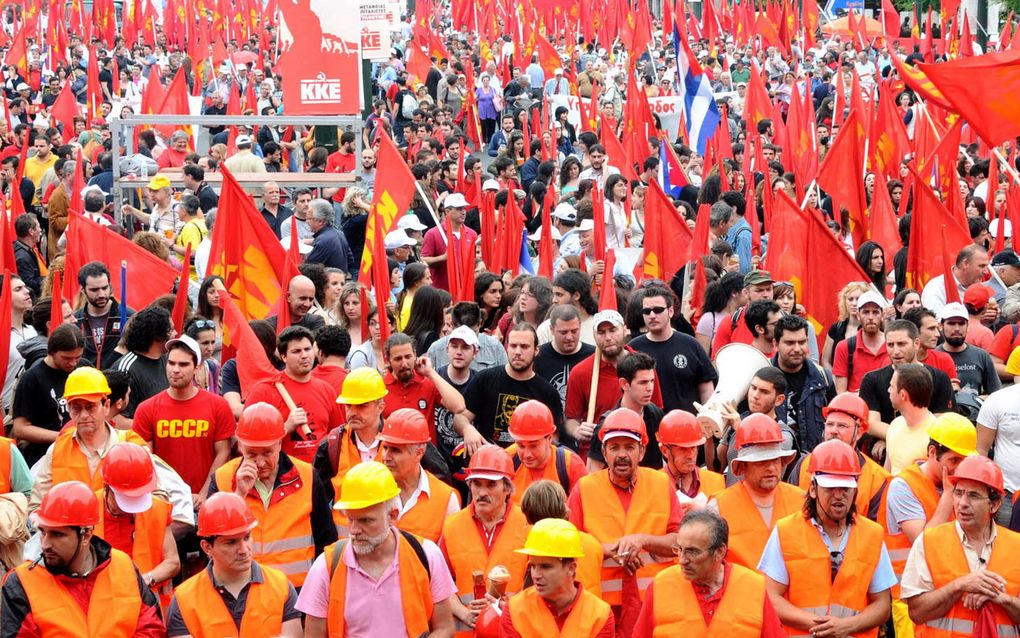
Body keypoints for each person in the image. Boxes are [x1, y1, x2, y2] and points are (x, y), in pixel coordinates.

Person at [298, 461, 457, 637]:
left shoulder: (427, 555)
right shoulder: (326, 567)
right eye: (351, 520)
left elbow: (445, 628)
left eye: (366, 520)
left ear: (392, 516)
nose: (354, 530)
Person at [759, 439, 895, 636]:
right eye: (830, 488)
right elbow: (770, 597)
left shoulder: (872, 534)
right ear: (813, 489)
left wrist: (846, 626)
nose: (839, 496)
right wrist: (821, 626)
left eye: (845, 489)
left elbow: (882, 605)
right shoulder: (786, 530)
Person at [567, 408, 681, 634]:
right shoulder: (584, 489)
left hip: (654, 607)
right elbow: (568, 546)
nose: (621, 454)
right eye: (614, 447)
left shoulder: (661, 484)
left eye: (629, 447)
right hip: (601, 610)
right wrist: (606, 550)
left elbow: (680, 543)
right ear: (603, 452)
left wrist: (642, 540)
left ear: (641, 451)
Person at [1, 481, 166, 636]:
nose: (45, 544)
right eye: (43, 532)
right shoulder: (21, 582)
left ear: (86, 533)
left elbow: (151, 628)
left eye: (57, 534)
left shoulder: (124, 567)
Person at [209, 402, 337, 588]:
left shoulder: (307, 476)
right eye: (251, 453)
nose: (260, 463)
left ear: (279, 443)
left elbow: (326, 541)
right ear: (240, 445)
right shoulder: (222, 478)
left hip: (298, 593)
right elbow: (212, 542)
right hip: (242, 593)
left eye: (267, 452)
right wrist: (239, 494)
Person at [901, 455, 1020, 636]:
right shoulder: (929, 541)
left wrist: (1001, 599)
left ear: (995, 505)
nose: (962, 503)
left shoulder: (1016, 546)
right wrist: (959, 586)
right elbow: (916, 612)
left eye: (973, 495)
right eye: (958, 493)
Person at [883, 414, 977, 638]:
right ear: (932, 452)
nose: (959, 469)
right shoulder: (903, 485)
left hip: (953, 594)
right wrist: (948, 496)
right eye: (954, 461)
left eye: (965, 461)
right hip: (911, 598)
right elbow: (924, 542)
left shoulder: (964, 486)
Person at [167, 492, 303, 637]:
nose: (244, 550)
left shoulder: (280, 586)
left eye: (247, 537)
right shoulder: (184, 599)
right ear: (207, 547)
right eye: (231, 542)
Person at [633, 509, 786, 637]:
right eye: (679, 549)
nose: (682, 560)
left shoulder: (753, 587)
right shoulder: (660, 586)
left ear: (719, 552)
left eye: (692, 552)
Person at [28, 366, 153, 512]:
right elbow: (37, 507)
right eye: (76, 408)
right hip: (73, 532)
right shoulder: (57, 449)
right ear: (68, 408)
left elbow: (157, 496)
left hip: (119, 533)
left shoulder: (133, 446)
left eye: (90, 406)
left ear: (106, 406)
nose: (84, 415)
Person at [132, 334, 235, 504]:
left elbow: (223, 452)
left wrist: (204, 494)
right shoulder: (146, 409)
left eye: (183, 364)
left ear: (197, 367)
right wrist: (161, 496)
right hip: (163, 501)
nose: (175, 369)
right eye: (171, 363)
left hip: (206, 501)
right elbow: (146, 459)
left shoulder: (218, 405)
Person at [441, 444, 531, 632]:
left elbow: (540, 585)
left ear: (507, 488)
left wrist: (512, 608)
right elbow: (439, 582)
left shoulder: (528, 525)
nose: (482, 492)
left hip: (513, 629)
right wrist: (461, 611)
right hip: (467, 631)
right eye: (477, 484)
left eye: (491, 484)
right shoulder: (452, 526)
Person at [711, 413, 804, 569]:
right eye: (761, 462)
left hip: (790, 592)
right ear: (743, 466)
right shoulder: (718, 507)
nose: (771, 468)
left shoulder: (802, 501)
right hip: (742, 591)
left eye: (775, 460)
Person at [565, 310, 663, 454]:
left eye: (612, 330)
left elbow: (656, 412)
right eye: (601, 332)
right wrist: (577, 430)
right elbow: (570, 420)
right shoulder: (580, 372)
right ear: (594, 336)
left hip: (638, 453)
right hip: (596, 454)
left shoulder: (644, 367)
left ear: (625, 330)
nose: (608, 337)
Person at [94, 442, 180, 606]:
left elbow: (173, 562)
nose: (131, 509)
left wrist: (146, 579)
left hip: (146, 605)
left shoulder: (158, 509)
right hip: (100, 603)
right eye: (125, 501)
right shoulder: (88, 509)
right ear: (107, 487)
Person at [455, 323, 563, 452]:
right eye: (513, 346)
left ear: (536, 350)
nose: (517, 352)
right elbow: (460, 418)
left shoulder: (547, 393)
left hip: (527, 462)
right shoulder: (484, 379)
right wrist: (468, 429)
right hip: (488, 460)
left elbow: (553, 438)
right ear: (507, 348)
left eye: (524, 347)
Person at [500, 518, 616, 637]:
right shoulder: (514, 611)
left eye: (546, 567)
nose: (535, 575)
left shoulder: (600, 615)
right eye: (533, 566)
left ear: (571, 568)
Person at [246, 326, 344, 463]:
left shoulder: (327, 390)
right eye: (297, 351)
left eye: (308, 349)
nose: (304, 355)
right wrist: (286, 427)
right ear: (284, 356)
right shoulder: (264, 391)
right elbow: (246, 444)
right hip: (281, 475)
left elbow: (338, 437)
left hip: (319, 475)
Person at [788, 393, 892, 520]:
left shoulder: (878, 479)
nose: (833, 430)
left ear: (859, 433)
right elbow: (790, 512)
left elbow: (875, 531)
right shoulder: (804, 464)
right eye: (830, 424)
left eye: (842, 426)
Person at [859, 320, 956, 443]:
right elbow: (872, 424)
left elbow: (941, 423)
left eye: (901, 344)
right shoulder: (871, 380)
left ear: (916, 343)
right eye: (890, 345)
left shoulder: (939, 378)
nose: (896, 351)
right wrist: (895, 441)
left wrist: (902, 440)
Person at [630, 286, 717, 413]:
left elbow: (706, 388)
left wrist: (706, 418)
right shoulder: (634, 348)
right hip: (647, 427)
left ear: (670, 311)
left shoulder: (691, 345)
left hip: (687, 426)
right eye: (647, 311)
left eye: (658, 310)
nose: (652, 315)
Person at [378, 408, 460, 543]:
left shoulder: (445, 498)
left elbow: (448, 557)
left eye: (396, 450)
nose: (386, 457)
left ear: (419, 453)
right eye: (385, 448)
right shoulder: (371, 489)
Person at [314, 367, 388, 510]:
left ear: (380, 407)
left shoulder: (400, 438)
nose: (352, 412)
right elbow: (316, 500)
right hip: (345, 531)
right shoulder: (332, 445)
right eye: (348, 405)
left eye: (361, 406)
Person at [10, 324, 83, 466]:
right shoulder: (32, 378)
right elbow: (20, 428)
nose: (73, 363)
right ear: (52, 351)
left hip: (80, 454)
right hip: (45, 459)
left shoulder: (84, 369)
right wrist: (65, 437)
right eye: (66, 358)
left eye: (78, 357)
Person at [380, 333, 465, 445]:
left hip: (425, 458)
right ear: (388, 360)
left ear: (415, 355)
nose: (404, 364)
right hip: (393, 455)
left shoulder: (427, 382)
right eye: (398, 359)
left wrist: (430, 372)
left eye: (408, 356)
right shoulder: (380, 388)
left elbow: (459, 406)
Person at [586, 352, 666, 471]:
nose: (650, 388)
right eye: (643, 382)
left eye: (652, 381)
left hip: (651, 486)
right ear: (624, 384)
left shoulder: (656, 414)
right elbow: (592, 472)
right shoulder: (607, 424)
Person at [772, 314, 836, 454]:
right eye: (790, 343)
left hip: (815, 462)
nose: (797, 348)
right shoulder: (762, 379)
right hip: (777, 463)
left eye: (802, 342)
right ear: (775, 344)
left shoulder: (824, 378)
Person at [505, 400, 586, 503]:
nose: (527, 454)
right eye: (521, 446)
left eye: (533, 446)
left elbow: (583, 509)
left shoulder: (570, 464)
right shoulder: (507, 459)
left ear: (549, 439)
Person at [112, 305, 173, 421]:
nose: (175, 333)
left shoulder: (169, 360)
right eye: (171, 330)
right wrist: (155, 430)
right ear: (158, 335)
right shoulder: (125, 369)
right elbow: (115, 419)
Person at [534, 304, 595, 409]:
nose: (569, 337)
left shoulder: (594, 356)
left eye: (574, 331)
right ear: (551, 329)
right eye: (563, 332)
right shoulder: (537, 356)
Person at [73, 261, 132, 368]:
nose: (101, 294)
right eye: (94, 290)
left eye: (105, 288)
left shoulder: (130, 317)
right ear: (83, 290)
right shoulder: (76, 320)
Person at [658, 409, 726, 500]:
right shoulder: (652, 485)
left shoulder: (716, 482)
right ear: (665, 450)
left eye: (693, 447)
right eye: (683, 449)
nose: (690, 455)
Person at [937, 302, 1001, 398]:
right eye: (951, 323)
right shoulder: (934, 356)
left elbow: (997, 393)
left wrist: (983, 399)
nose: (957, 328)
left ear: (968, 326)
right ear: (941, 326)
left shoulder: (981, 356)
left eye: (961, 323)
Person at [832, 290, 889, 393]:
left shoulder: (893, 345)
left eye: (875, 312)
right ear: (858, 315)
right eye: (866, 312)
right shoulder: (844, 347)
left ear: (882, 315)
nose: (871, 317)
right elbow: (840, 394)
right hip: (855, 407)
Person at [420, 193, 478, 292]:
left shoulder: (472, 234)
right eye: (459, 209)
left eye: (464, 208)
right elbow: (423, 260)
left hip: (466, 289)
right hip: (442, 292)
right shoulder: (433, 233)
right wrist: (443, 257)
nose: (463, 212)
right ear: (447, 211)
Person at [711, 270, 777, 355]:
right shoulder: (730, 322)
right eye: (759, 290)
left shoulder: (783, 322)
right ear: (746, 293)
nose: (765, 295)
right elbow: (717, 361)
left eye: (769, 289)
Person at [920, 245, 989, 313]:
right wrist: (976, 320)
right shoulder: (936, 288)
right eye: (982, 266)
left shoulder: (982, 286)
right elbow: (935, 321)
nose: (986, 272)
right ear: (965, 264)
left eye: (986, 266)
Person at [306, 198, 357, 273]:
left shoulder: (323, 241)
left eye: (309, 219)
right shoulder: (339, 233)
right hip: (340, 279)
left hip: (327, 282)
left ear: (320, 221)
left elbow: (308, 269)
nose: (307, 222)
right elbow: (350, 260)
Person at [12, 213, 45, 297]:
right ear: (31, 231)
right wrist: (49, 279)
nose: (40, 230)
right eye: (38, 227)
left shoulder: (25, 248)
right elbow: (29, 284)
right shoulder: (23, 258)